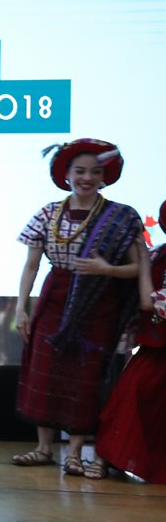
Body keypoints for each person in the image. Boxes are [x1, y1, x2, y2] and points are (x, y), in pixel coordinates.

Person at [12, 138, 145, 479]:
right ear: (66, 174)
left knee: (84, 377)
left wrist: (107, 270)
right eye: (80, 171)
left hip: (98, 301)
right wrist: (21, 309)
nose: (87, 177)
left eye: (95, 172)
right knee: (45, 367)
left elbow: (138, 268)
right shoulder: (48, 213)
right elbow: (31, 266)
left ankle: (74, 452)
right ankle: (44, 448)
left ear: (105, 177)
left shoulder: (121, 217)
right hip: (55, 296)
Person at [96, 198, 166, 483]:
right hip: (158, 345)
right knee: (131, 394)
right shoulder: (158, 255)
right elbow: (148, 302)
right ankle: (110, 457)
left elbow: (152, 303)